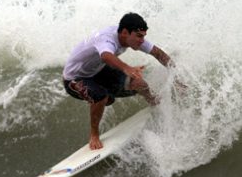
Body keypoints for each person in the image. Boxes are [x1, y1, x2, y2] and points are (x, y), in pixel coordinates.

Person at [62, 13, 175, 150]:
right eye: (139, 36)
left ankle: (155, 103)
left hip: (98, 72)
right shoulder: (106, 38)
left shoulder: (130, 36)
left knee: (140, 84)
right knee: (100, 97)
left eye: (143, 36)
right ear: (125, 32)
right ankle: (94, 135)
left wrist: (176, 74)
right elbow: (106, 56)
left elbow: (157, 53)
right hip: (74, 79)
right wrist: (126, 68)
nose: (142, 41)